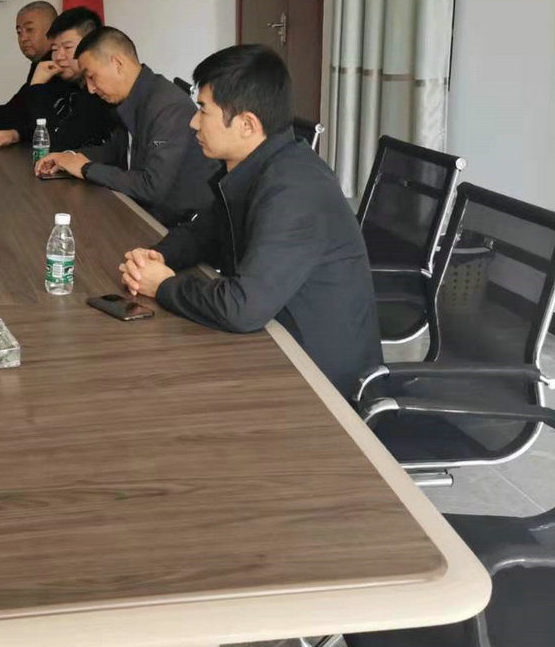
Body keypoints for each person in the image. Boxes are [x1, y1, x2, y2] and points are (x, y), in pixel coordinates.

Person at [119, 44, 381, 394]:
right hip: (273, 343)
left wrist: (164, 286)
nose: (193, 122)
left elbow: (242, 307)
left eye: (203, 110)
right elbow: (204, 233)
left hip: (319, 381)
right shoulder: (255, 168)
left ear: (246, 125)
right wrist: (158, 257)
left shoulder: (294, 189)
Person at [34, 27, 214, 228]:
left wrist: (86, 168)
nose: (91, 89)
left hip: (177, 226)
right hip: (143, 213)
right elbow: (117, 150)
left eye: (92, 77)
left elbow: (151, 186)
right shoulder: (134, 96)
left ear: (117, 64)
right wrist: (69, 157)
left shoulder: (168, 106)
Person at [0, 6, 115, 153]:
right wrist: (16, 135)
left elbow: (57, 144)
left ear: (92, 46)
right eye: (55, 49)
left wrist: (37, 86)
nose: (59, 56)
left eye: (67, 47)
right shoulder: (67, 80)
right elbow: (54, 123)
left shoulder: (100, 90)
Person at [0, 0, 56, 129]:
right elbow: (19, 106)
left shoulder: (57, 67)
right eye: (19, 32)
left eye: (29, 30)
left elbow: (35, 120)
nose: (23, 38)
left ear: (52, 31)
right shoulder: (39, 64)